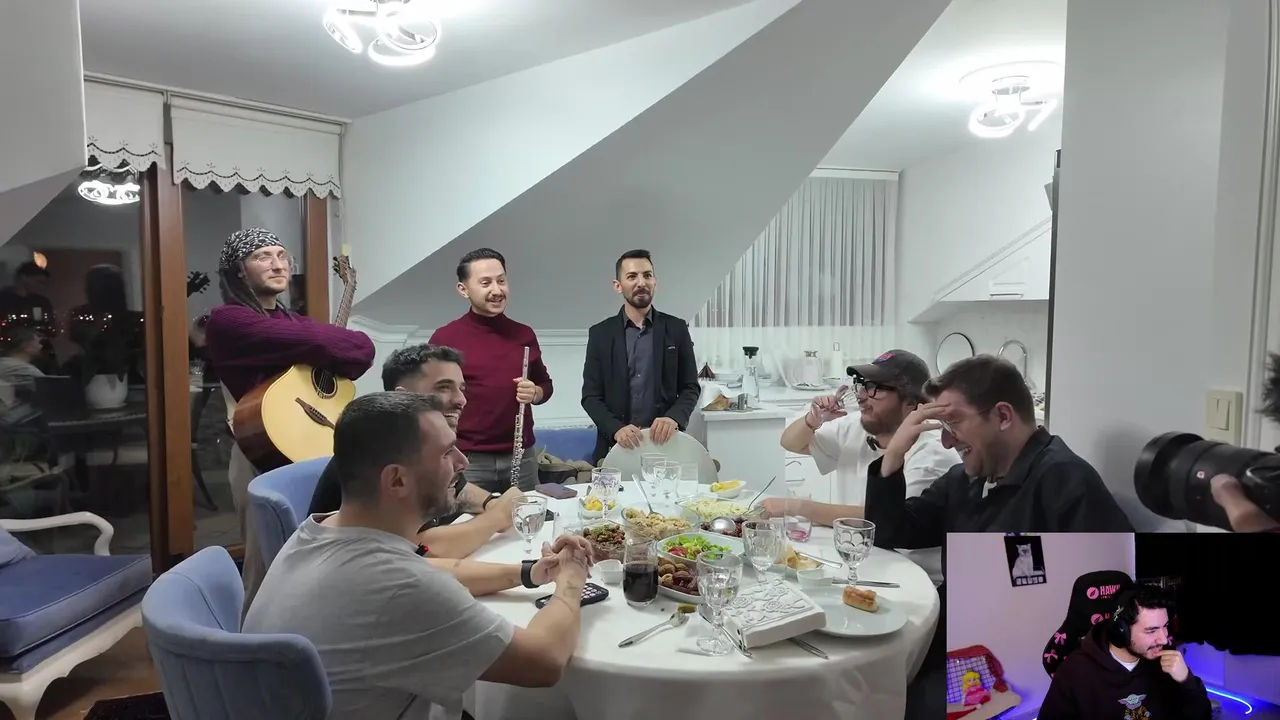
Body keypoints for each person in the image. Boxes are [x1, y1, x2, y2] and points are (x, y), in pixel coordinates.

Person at [244, 392, 592, 720]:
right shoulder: (399, 587)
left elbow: (434, 572)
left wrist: (529, 572)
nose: (463, 462)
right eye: (447, 453)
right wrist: (572, 578)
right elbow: (545, 661)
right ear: (396, 480)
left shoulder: (317, 531)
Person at [204, 228, 375, 610]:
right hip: (259, 447)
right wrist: (322, 341)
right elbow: (325, 343)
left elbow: (362, 351)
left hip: (311, 444)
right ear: (238, 269)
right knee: (266, 564)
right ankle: (255, 636)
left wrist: (323, 341)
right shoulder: (227, 320)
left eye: (282, 255)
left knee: (322, 552)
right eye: (263, 256)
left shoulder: (292, 322)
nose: (278, 264)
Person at [861, 355, 1134, 540]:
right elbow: (888, 532)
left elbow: (1114, 584)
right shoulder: (962, 482)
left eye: (953, 422)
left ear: (1003, 416)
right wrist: (894, 453)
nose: (946, 441)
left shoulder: (1065, 481)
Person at [307, 343, 525, 559]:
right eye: (443, 387)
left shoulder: (423, 437)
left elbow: (459, 487)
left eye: (461, 389)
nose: (461, 400)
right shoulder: (381, 448)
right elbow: (422, 549)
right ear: (403, 396)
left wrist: (492, 503)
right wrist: (498, 517)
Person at [767, 349, 956, 586]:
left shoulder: (933, 455)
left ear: (911, 404)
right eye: (862, 385)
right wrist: (813, 419)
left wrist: (798, 507)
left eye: (875, 388)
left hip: (913, 581)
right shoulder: (855, 427)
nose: (862, 396)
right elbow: (791, 443)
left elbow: (884, 523)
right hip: (864, 564)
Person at [429, 248, 553, 492]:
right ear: (463, 289)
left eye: (501, 281)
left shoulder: (524, 334)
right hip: (468, 459)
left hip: (522, 457)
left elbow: (545, 384)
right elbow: (427, 400)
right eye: (485, 283)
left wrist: (536, 393)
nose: (497, 290)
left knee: (527, 516)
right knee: (469, 516)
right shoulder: (444, 338)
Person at [581, 249, 701, 464]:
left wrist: (673, 417)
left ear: (655, 281)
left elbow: (690, 387)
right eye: (632, 276)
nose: (641, 282)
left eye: (647, 275)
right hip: (615, 448)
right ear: (618, 285)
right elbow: (591, 396)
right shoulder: (600, 334)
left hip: (666, 447)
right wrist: (615, 428)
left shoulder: (676, 329)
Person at [1038, 586, 1212, 720]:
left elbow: (1202, 716)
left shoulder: (1166, 661)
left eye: (1165, 627)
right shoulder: (1075, 672)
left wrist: (1187, 681)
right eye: (1151, 631)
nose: (1164, 639)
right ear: (1121, 632)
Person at [0, 327, 45, 428]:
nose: (41, 346)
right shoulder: (20, 369)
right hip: (17, 427)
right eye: (38, 343)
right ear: (25, 345)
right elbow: (52, 391)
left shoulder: (5, 364)